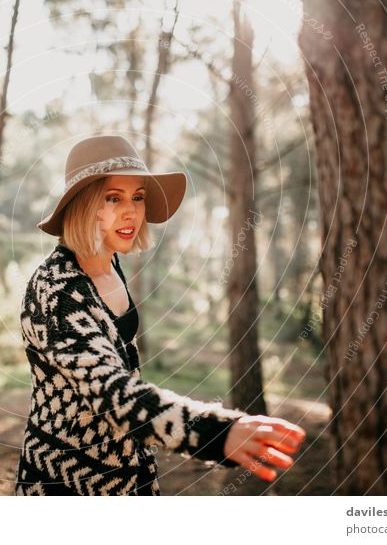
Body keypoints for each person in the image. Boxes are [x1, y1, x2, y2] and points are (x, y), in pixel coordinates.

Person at [15, 135, 305, 495]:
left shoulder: (109, 264)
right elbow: (111, 392)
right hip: (66, 484)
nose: (132, 211)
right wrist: (216, 433)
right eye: (113, 198)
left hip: (130, 476)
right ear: (83, 204)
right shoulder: (55, 290)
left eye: (137, 197)